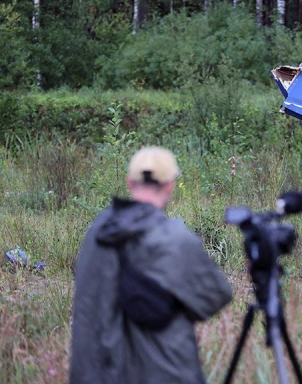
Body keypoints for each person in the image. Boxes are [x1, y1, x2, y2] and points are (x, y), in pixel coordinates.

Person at [70, 146, 233, 384]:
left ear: (129, 182)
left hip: (96, 373)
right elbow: (215, 297)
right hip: (163, 372)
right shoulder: (175, 238)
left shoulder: (97, 232)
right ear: (169, 185)